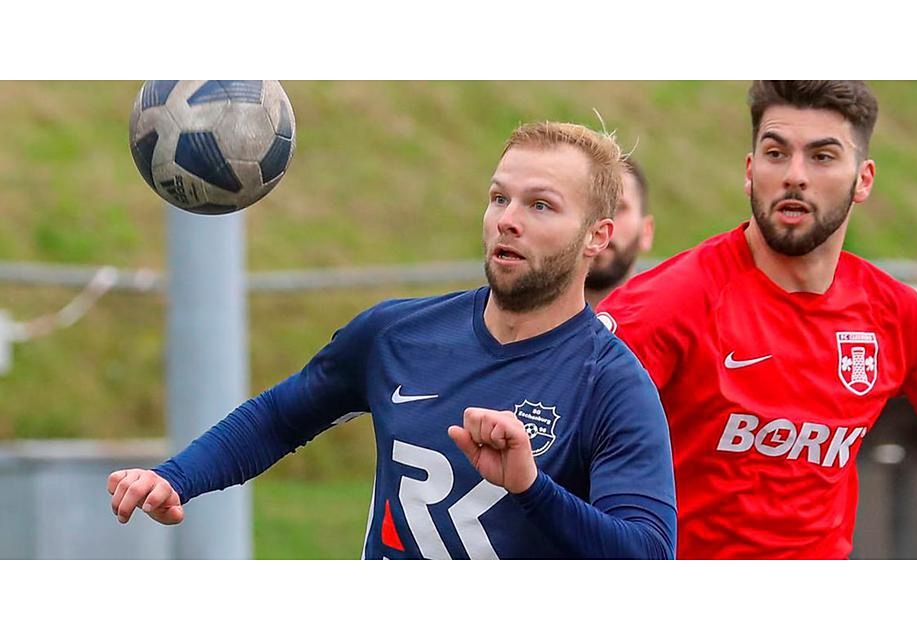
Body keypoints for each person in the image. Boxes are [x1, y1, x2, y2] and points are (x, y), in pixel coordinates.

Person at [107, 121, 678, 560]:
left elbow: (647, 557)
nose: (507, 219)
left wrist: (530, 487)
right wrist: (175, 477)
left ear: (596, 237)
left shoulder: (614, 386)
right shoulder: (395, 335)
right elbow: (279, 417)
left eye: (540, 205)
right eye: (499, 197)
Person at [597, 81, 917, 559]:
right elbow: (556, 451)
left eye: (822, 157)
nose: (795, 175)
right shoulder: (665, 305)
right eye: (775, 153)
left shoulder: (894, 313)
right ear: (750, 171)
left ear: (864, 179)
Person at [584, 156, 655, 308]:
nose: (601, 223)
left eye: (617, 208)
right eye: (590, 207)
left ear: (646, 231)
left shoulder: (670, 326)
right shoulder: (525, 324)